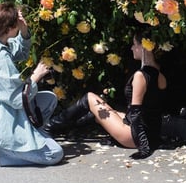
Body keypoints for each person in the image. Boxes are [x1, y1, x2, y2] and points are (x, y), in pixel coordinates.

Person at [0, 2, 64, 167]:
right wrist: (36, 75)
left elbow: (18, 52)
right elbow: (18, 98)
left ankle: (24, 141)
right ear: (8, 29)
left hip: (2, 109)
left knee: (48, 100)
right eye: (16, 24)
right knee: (54, 154)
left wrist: (24, 31)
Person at [46, 31, 168, 159]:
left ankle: (48, 127)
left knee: (90, 98)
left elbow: (136, 114)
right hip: (152, 134)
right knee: (101, 112)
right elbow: (153, 111)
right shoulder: (160, 75)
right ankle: (67, 129)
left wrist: (144, 148)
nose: (132, 48)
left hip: (133, 136)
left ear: (143, 48)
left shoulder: (140, 76)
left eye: (134, 44)